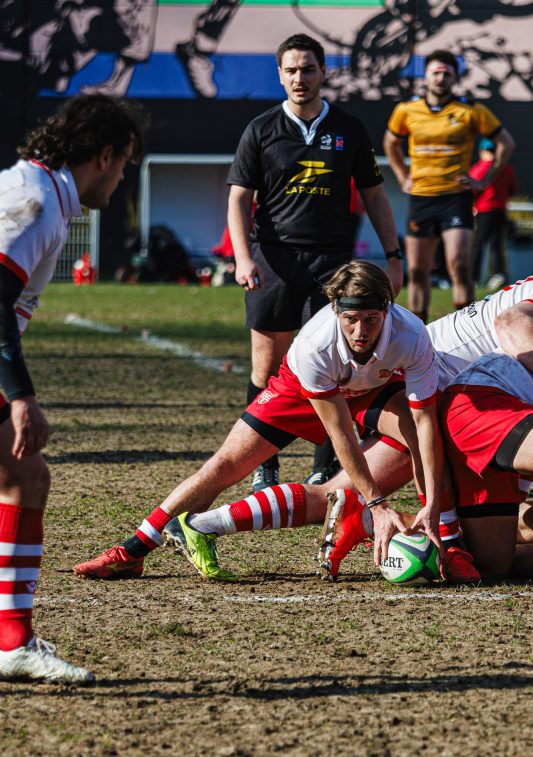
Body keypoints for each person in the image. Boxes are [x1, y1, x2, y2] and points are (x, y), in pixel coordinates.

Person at [74, 259, 444, 582]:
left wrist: (433, 505)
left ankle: (444, 532)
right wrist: (377, 504)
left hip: (374, 388)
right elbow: (341, 434)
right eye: (350, 319)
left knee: (418, 430)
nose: (360, 331)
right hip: (301, 388)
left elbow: (425, 421)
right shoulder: (315, 345)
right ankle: (132, 551)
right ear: (335, 310)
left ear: (388, 309)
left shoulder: (412, 335)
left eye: (371, 320)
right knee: (225, 465)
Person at [0, 95, 144, 684]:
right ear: (104, 155)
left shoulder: (41, 193)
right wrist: (21, 396)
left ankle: (13, 641)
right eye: (125, 162)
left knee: (26, 478)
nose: (123, 177)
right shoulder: (34, 203)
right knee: (25, 476)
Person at [228, 33, 403, 491]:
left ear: (324, 72)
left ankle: (326, 465)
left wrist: (394, 256)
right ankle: (264, 465)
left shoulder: (349, 129)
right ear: (279, 75)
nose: (299, 78)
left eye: (308, 69)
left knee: (335, 364)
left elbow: (375, 197)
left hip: (333, 265)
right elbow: (239, 198)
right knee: (266, 367)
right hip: (273, 261)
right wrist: (243, 257)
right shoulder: (260, 129)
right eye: (291, 70)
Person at [383, 49, 515, 322]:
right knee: (417, 271)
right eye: (435, 73)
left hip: (456, 197)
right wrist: (402, 176)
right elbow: (390, 142)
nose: (440, 78)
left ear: (455, 78)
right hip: (421, 197)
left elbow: (506, 143)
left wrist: (484, 179)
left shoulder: (470, 110)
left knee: (460, 264)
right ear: (426, 76)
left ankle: (465, 329)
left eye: (446, 73)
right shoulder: (407, 110)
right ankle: (420, 333)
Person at [439, 350, 533, 579]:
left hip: (508, 413)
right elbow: (511, 329)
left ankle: (410, 529)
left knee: (492, 566)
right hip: (480, 400)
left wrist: (520, 493)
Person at [469, 138, 517, 290]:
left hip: (483, 211)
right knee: (497, 245)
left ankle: (473, 278)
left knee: (478, 245)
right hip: (500, 211)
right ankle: (499, 275)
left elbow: (471, 191)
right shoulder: (506, 168)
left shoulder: (478, 169)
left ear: (482, 151)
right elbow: (512, 189)